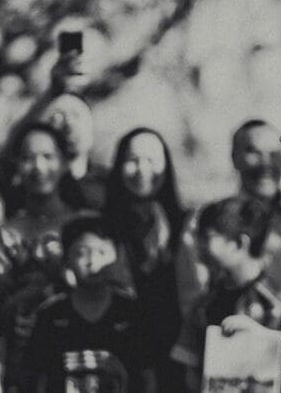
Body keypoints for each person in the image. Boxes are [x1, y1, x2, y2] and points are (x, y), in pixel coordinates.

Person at [0, 122, 82, 392]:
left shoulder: (85, 227)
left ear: (64, 162)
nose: (39, 167)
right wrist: (34, 292)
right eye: (28, 158)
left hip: (82, 357)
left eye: (48, 156)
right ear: (16, 167)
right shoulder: (6, 235)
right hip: (26, 366)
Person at [174, 120, 281, 324]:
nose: (265, 163)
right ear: (234, 158)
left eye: (274, 154)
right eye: (253, 152)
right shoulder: (206, 221)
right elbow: (191, 298)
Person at [23, 215, 156, 393]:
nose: (92, 262)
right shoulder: (50, 314)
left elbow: (148, 378)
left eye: (102, 252)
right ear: (66, 259)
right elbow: (37, 379)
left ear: (117, 255)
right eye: (81, 253)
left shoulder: (134, 312)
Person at [103, 127, 186, 392]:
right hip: (118, 356)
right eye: (132, 160)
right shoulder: (102, 227)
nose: (142, 169)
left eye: (152, 160)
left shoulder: (184, 226)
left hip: (176, 359)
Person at [171, 197, 281, 392]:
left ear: (239, 243)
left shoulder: (276, 301)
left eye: (207, 237)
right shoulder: (206, 302)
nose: (198, 245)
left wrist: (260, 336)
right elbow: (189, 359)